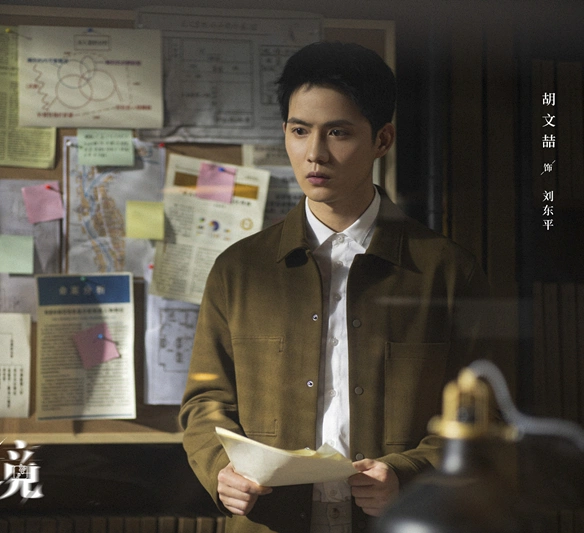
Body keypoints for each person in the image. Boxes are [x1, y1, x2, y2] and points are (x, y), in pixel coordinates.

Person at [179, 41, 492, 533]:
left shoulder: (447, 272)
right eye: (299, 130)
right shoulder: (239, 271)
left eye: (338, 132)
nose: (315, 153)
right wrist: (222, 469)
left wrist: (408, 474)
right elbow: (205, 402)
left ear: (382, 139)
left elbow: (482, 416)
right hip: (269, 522)